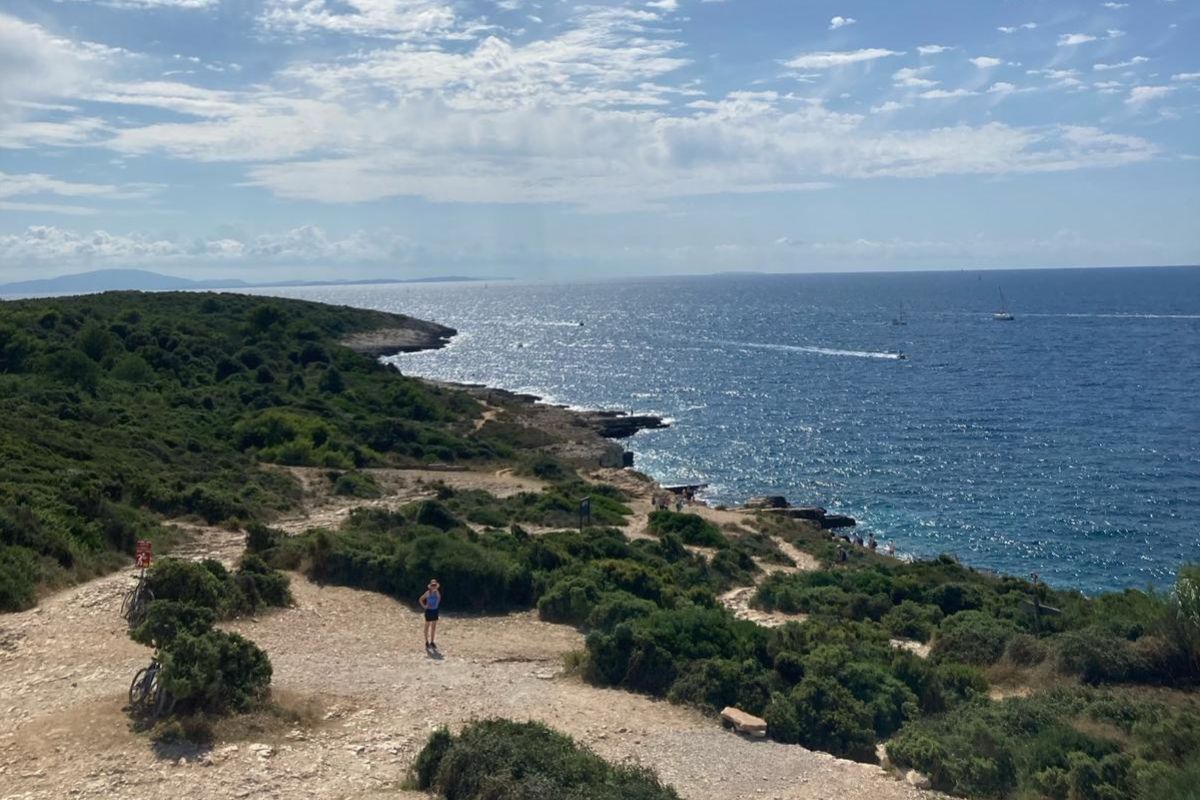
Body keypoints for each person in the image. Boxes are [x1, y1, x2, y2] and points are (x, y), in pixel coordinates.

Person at [419, 579, 442, 652]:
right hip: (429, 611)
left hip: (435, 611)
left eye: (435, 585)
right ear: (430, 586)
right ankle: (426, 641)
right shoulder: (427, 593)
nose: (433, 586)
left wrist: (436, 592)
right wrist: (424, 606)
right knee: (427, 626)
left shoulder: (437, 593)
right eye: (432, 585)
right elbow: (420, 599)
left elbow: (439, 598)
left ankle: (432, 641)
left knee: (433, 627)